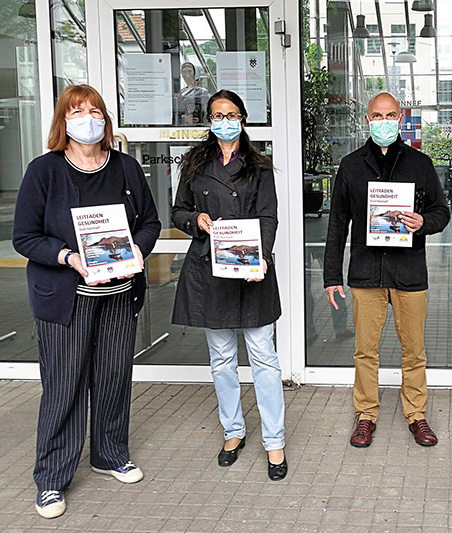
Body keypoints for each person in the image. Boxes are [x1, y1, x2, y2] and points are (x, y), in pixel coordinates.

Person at [12, 85, 161, 519]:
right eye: (77, 112)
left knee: (114, 376)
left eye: (95, 111)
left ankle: (110, 454)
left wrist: (137, 250)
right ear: (63, 121)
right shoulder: (45, 171)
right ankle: (52, 478)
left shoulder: (126, 167)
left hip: (118, 294)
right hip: (67, 297)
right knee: (64, 386)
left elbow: (149, 222)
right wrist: (68, 256)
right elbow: (25, 237)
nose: (88, 119)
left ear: (105, 120)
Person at [171, 90, 287, 481]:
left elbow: (268, 217)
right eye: (218, 114)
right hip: (209, 271)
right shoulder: (194, 163)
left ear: (243, 118)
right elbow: (178, 210)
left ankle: (275, 441)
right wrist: (196, 221)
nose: (224, 120)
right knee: (221, 360)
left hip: (251, 270)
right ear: (209, 120)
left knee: (264, 359)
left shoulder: (259, 166)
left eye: (232, 114)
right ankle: (233, 430)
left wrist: (262, 257)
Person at [324, 92, 450, 448]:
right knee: (365, 350)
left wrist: (422, 221)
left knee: (414, 351)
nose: (383, 121)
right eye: (377, 115)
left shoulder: (420, 164)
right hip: (366, 274)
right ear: (367, 120)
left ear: (401, 119)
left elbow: (442, 212)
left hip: (409, 273)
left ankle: (417, 414)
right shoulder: (350, 165)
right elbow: (337, 225)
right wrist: (332, 277)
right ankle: (366, 415)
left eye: (390, 115)